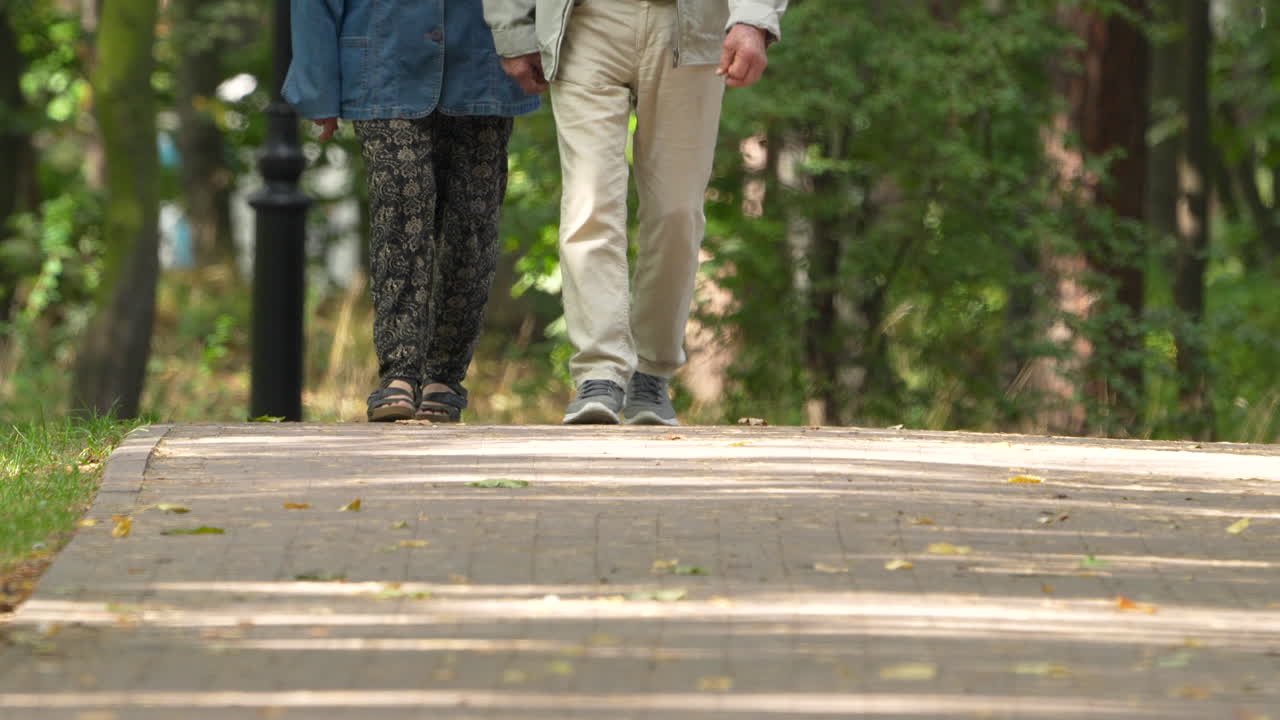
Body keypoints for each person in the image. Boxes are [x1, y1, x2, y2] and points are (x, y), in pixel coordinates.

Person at [482, 0, 787, 425]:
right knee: (590, 204)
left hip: (693, 27)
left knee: (677, 213)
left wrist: (754, 19)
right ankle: (599, 372)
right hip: (585, 25)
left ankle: (652, 372)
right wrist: (514, 27)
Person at [284, 0, 539, 422]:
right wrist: (318, 89)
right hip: (383, 64)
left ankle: (445, 378)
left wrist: (534, 46)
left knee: (471, 226)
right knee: (401, 213)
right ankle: (398, 374)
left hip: (482, 64)